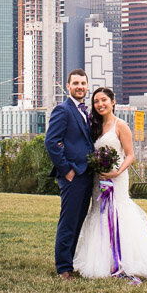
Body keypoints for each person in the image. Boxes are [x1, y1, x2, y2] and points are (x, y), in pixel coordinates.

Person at [72, 87, 147, 282]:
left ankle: (124, 260)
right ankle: (102, 261)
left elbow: (130, 155)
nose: (100, 104)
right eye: (96, 101)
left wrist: (117, 171)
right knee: (99, 212)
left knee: (118, 213)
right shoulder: (93, 127)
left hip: (116, 178)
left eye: (104, 100)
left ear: (113, 102)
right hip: (99, 179)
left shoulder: (120, 126)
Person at [44, 69, 95, 279]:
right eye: (75, 83)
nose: (80, 87)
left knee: (78, 221)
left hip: (86, 176)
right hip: (72, 177)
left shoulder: (84, 111)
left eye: (83, 83)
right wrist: (67, 170)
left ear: (87, 86)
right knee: (68, 222)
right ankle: (63, 268)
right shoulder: (63, 110)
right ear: (68, 86)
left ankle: (70, 263)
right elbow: (51, 143)